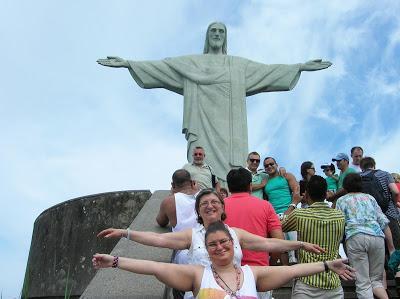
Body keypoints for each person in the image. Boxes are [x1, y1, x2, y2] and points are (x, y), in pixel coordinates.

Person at [97, 21, 332, 184]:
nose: (217, 34)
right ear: (208, 37)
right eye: (213, 31)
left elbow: (267, 72)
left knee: (233, 168)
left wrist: (298, 67)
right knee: (201, 159)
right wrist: (129, 63)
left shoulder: (237, 65)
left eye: (221, 31)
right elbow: (163, 67)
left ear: (225, 37)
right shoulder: (193, 63)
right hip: (202, 122)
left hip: (230, 129)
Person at [98, 189, 324, 297]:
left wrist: (300, 245)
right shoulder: (191, 235)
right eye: (203, 203)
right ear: (197, 210)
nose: (209, 205)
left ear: (223, 207)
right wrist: (125, 233)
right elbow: (158, 239)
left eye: (214, 201)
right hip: (201, 292)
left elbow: (268, 244)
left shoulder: (235, 233)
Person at [93, 221, 355, 298]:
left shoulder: (252, 274)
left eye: (224, 243)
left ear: (234, 244)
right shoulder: (198, 275)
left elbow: (294, 272)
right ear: (205, 249)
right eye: (212, 245)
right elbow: (154, 266)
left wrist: (327, 264)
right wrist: (115, 260)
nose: (219, 248)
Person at [224, 167, 284, 299]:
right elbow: (279, 243)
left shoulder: (218, 207)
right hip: (259, 275)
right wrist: (271, 262)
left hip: (226, 275)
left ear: (228, 187)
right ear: (250, 186)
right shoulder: (265, 206)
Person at [282, 175, 346, 298]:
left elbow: (280, 225)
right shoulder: (340, 216)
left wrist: (294, 203)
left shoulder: (300, 214)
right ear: (325, 193)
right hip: (333, 283)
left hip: (306, 283)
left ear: (306, 194)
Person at [336, 173, 393, 299]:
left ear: (345, 186)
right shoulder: (370, 198)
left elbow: (339, 225)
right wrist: (391, 247)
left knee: (363, 283)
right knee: (376, 281)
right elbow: (384, 222)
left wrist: (336, 247)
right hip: (377, 237)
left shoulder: (342, 200)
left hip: (355, 237)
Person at [156, 169, 199, 265]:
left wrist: (171, 195)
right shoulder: (204, 196)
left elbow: (161, 221)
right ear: (192, 183)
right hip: (206, 247)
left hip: (183, 253)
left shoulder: (169, 202)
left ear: (173, 185)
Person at [360, 157, 400, 250]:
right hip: (388, 214)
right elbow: (395, 191)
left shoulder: (358, 177)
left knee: (380, 252)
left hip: (369, 219)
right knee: (396, 249)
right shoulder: (384, 174)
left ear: (362, 167)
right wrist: (393, 204)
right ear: (374, 165)